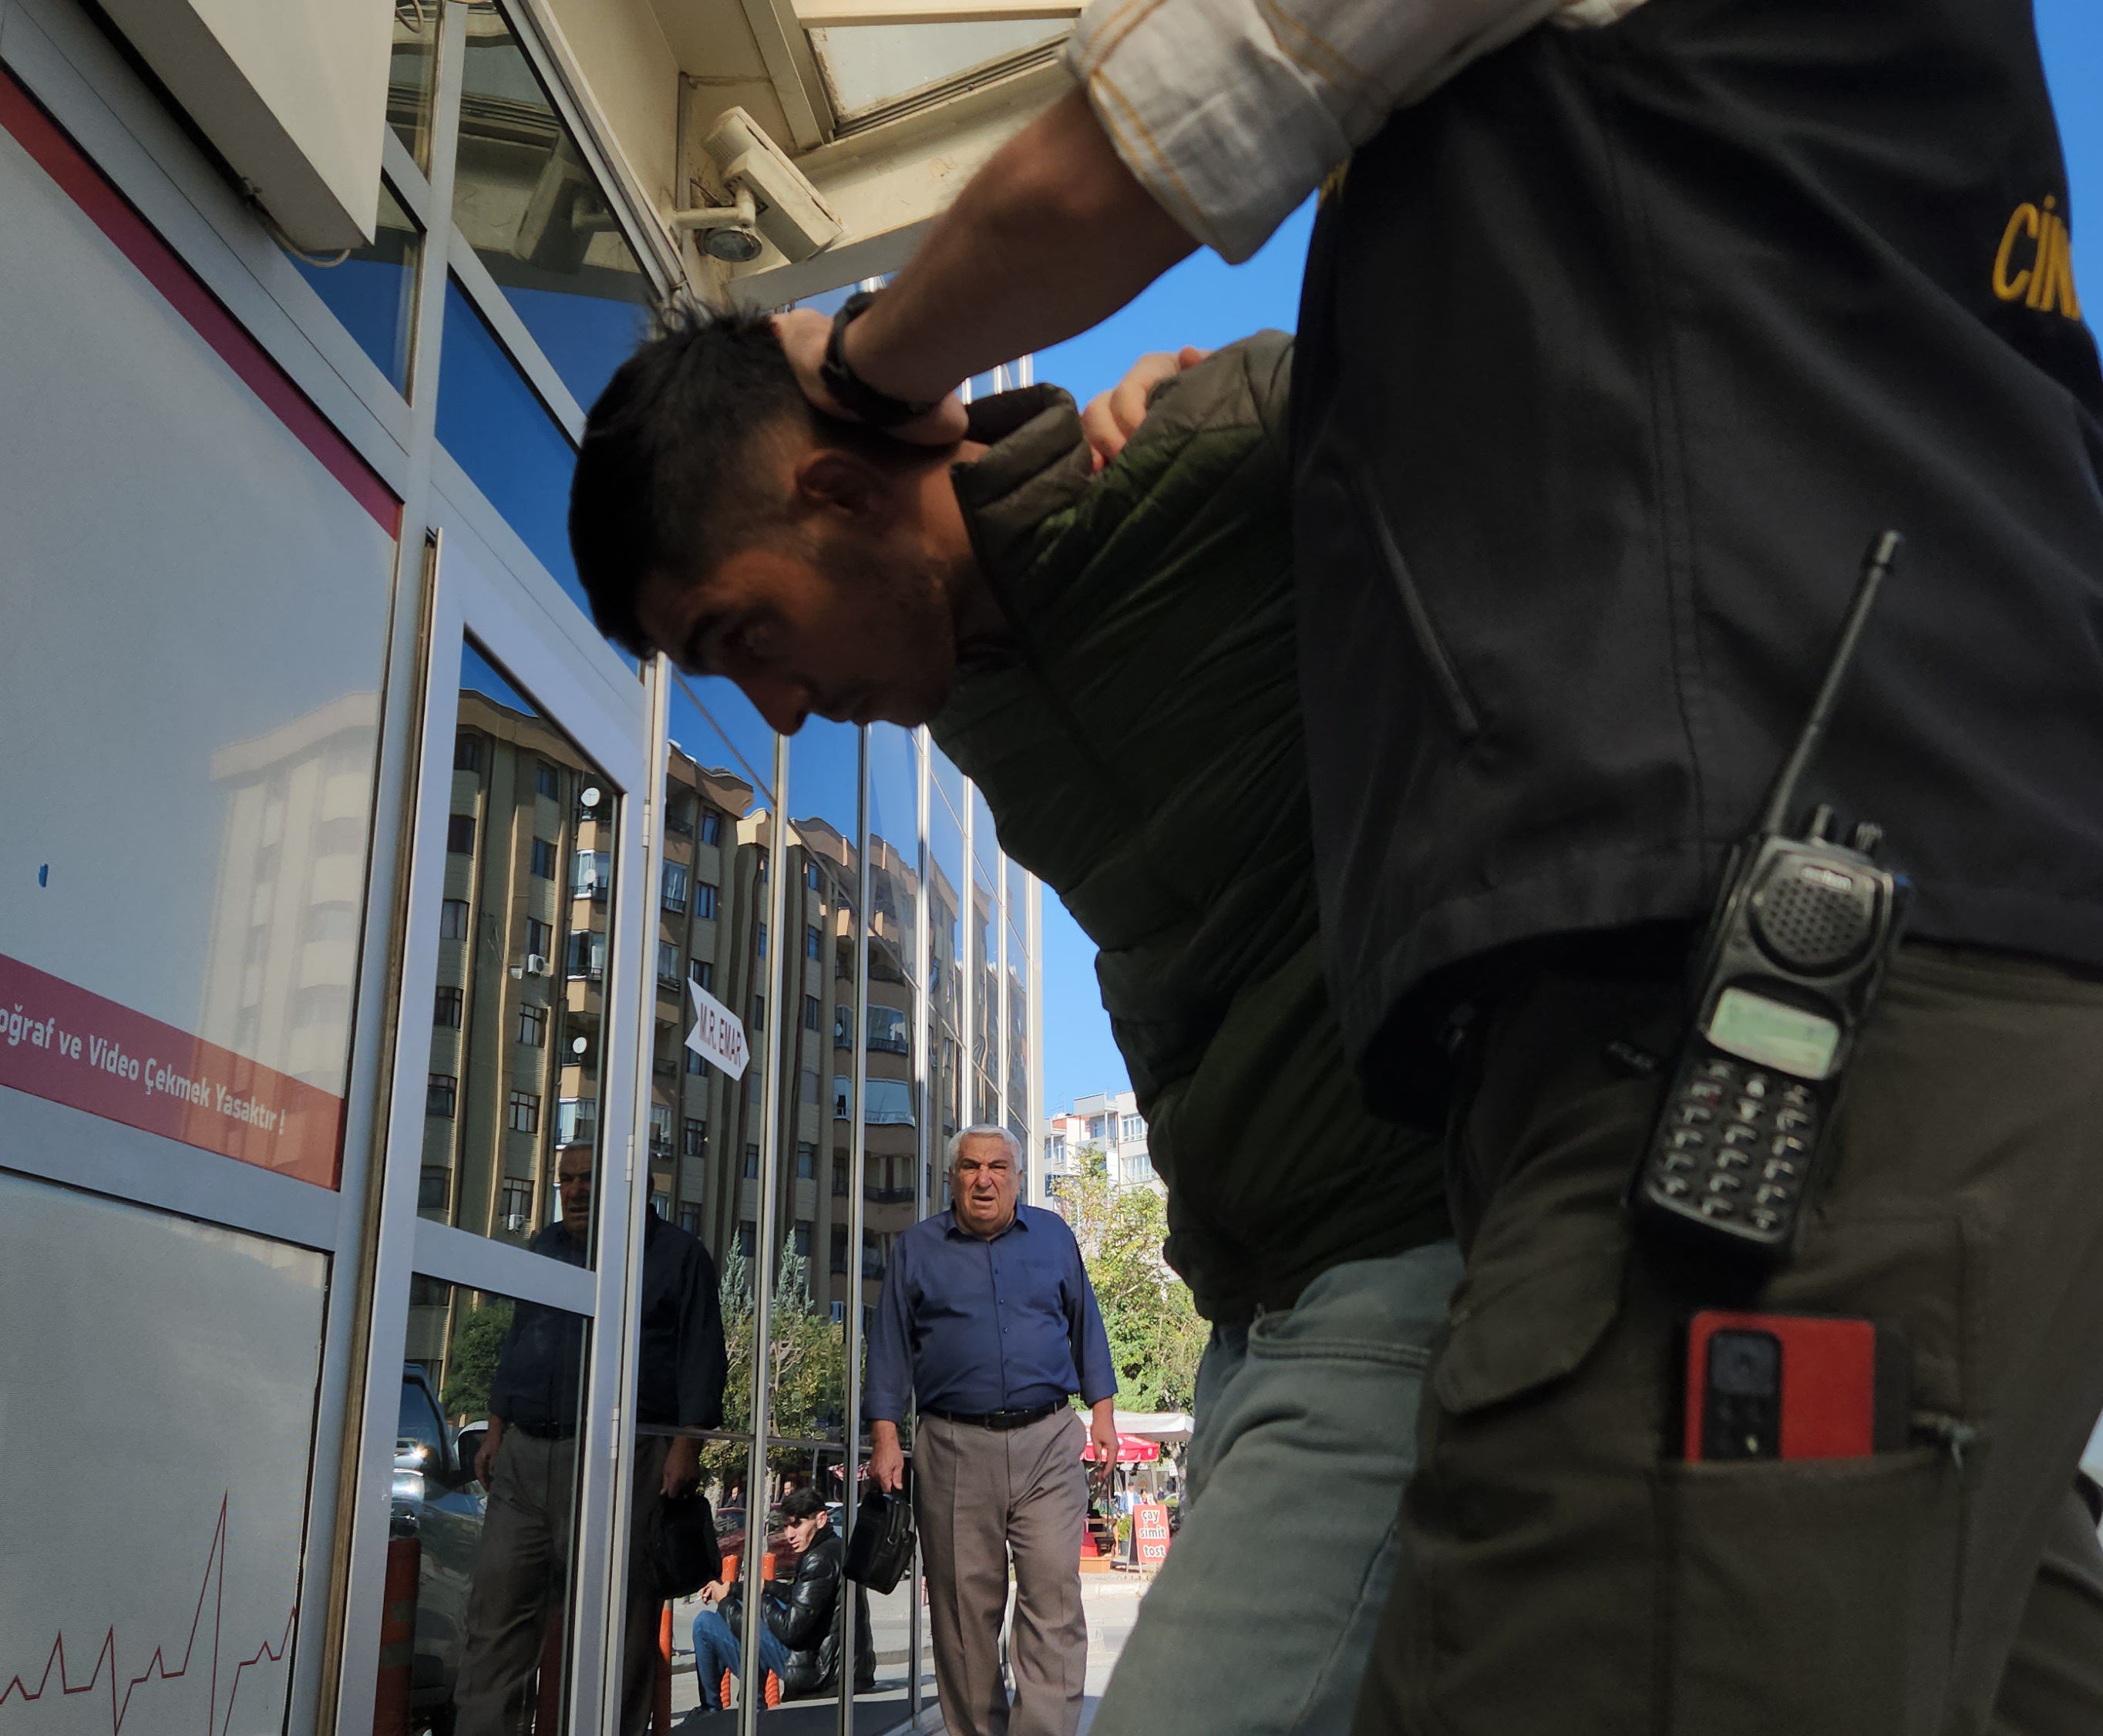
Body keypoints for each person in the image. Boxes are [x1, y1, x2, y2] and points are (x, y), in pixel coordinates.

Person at [737, 3, 2103, 1731]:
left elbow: (1190, 107)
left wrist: (856, 374)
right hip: (1957, 951)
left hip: (1756, 995)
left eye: (745, 630)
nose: (773, 706)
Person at [567, 317, 1459, 1734]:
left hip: (1406, 1260)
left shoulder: (1211, 466)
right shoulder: (968, 691)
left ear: (838, 488)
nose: (782, 707)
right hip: (1259, 1304)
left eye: (751, 636)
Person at [459, 1146, 727, 1734]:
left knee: (616, 1634)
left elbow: (702, 1363)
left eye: (589, 1181)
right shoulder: (547, 1248)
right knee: (495, 1625)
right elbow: (517, 1344)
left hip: (623, 1459)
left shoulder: (679, 1257)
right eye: (567, 1180)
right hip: (526, 1457)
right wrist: (495, 1429)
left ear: (635, 1189)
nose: (576, 1191)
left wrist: (686, 1449)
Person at [860, 1129, 1116, 1736]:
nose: (984, 1179)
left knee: (1053, 1600)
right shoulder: (916, 1249)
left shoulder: (1053, 1235)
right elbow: (890, 1345)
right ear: (951, 1178)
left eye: (998, 1167)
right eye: (970, 1167)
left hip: (1049, 1440)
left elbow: (1086, 1323)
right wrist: (886, 1434)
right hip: (952, 1447)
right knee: (962, 1616)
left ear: (1017, 1177)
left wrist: (1102, 1409)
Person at [688, 1489, 862, 1713]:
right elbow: (804, 1600)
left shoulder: (818, 1558)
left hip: (820, 1670)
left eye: (797, 1525)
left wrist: (727, 1602)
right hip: (835, 1663)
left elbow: (789, 1629)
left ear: (821, 1519)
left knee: (705, 1623)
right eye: (786, 1527)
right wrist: (742, 1589)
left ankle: (710, 1711)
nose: (789, 1534)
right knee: (747, 1614)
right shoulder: (834, 1549)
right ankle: (752, 1703)